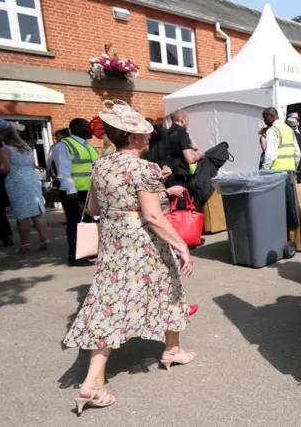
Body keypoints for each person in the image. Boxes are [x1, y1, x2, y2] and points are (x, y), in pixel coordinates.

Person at [63, 101, 196, 414]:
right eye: (143, 132)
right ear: (132, 138)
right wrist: (181, 245)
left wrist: (152, 188)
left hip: (113, 245)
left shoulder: (102, 165)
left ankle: (95, 379)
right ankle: (171, 349)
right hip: (144, 245)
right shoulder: (143, 168)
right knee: (171, 289)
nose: (148, 135)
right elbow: (152, 215)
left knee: (109, 304)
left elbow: (95, 210)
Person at [52, 118, 100, 266]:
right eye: (88, 126)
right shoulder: (64, 146)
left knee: (87, 222)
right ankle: (75, 257)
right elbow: (63, 171)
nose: (91, 129)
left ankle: (85, 253)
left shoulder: (90, 147)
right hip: (74, 192)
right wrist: (71, 191)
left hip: (89, 191)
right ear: (77, 127)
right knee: (75, 223)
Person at [0, 120, 50, 253]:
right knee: (38, 212)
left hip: (16, 181)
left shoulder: (4, 149)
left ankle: (25, 245)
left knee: (22, 214)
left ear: (2, 134)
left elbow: (5, 168)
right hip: (32, 179)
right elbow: (32, 165)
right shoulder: (26, 146)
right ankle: (45, 240)